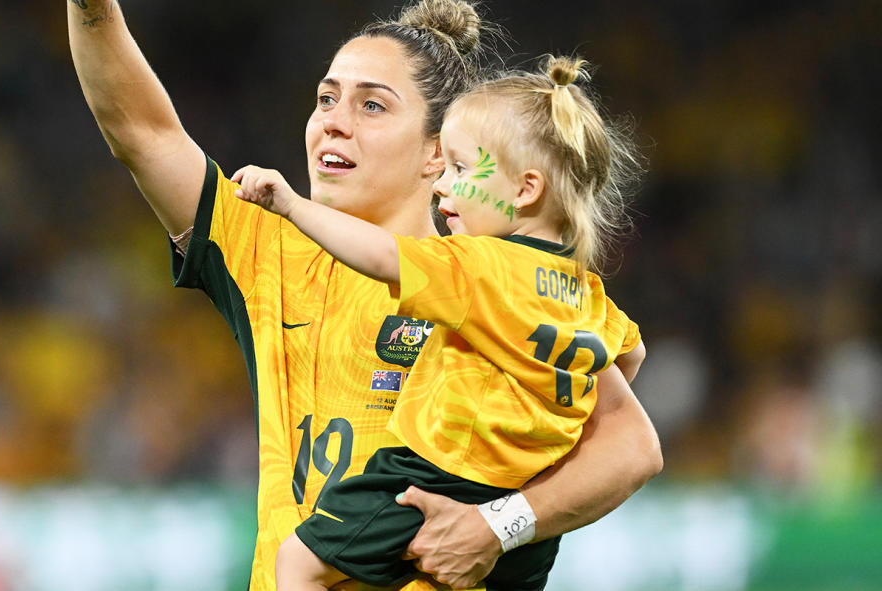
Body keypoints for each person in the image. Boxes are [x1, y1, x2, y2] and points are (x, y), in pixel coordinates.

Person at [66, 0, 662, 589]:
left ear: (438, 150)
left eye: (371, 105)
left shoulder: (490, 279)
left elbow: (628, 444)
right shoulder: (266, 250)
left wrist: (496, 525)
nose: (334, 120)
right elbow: (140, 131)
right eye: (326, 99)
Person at [233, 55, 645, 590]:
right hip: (523, 511)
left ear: (525, 190)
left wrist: (290, 205)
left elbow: (382, 256)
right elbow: (629, 357)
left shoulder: (479, 265)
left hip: (433, 475)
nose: (443, 186)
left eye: (461, 169)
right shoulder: (588, 293)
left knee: (296, 564)